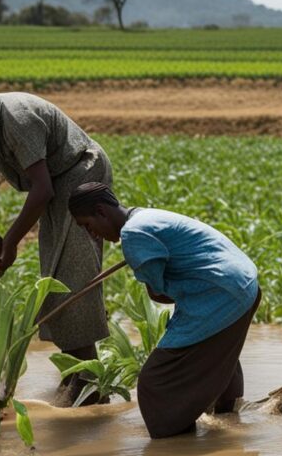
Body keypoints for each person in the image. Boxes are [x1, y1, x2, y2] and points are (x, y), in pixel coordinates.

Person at [0, 64, 112, 405]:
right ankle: (76, 374)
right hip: (56, 183)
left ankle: (90, 383)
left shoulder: (16, 118)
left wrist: (11, 242)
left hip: (79, 173)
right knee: (52, 278)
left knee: (71, 275)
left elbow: (40, 190)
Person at [67, 182, 261, 438]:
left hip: (221, 293)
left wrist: (148, 273)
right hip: (245, 284)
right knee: (218, 355)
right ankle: (228, 425)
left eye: (88, 226)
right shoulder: (144, 216)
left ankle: (176, 442)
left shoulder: (134, 234)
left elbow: (158, 293)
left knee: (155, 381)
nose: (92, 234)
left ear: (102, 212)